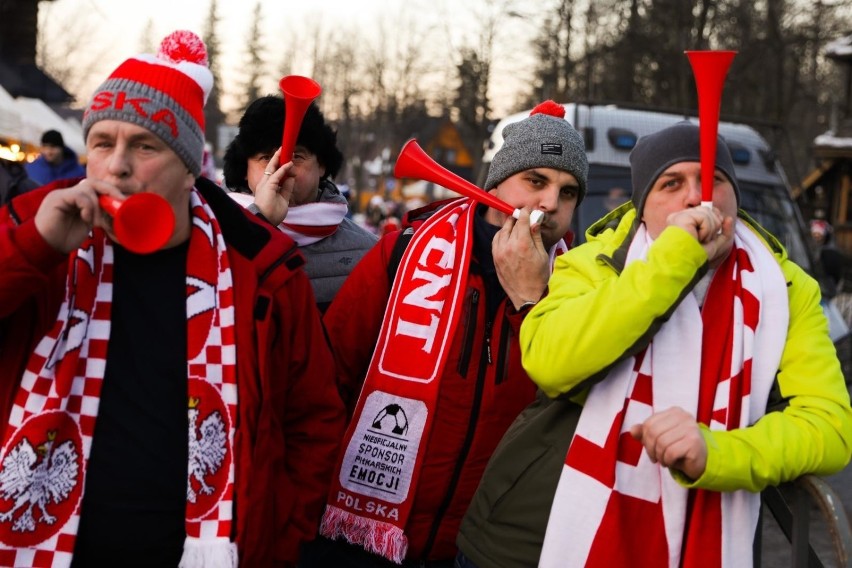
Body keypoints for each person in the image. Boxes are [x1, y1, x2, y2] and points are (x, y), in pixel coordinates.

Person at [0, 30, 344, 567]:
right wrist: (34, 249)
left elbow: (314, 420)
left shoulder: (262, 266)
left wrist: (279, 536)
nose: (116, 166)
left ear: (190, 168)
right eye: (102, 143)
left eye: (144, 146)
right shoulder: (34, 232)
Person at [456, 122, 852, 568]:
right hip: (532, 539)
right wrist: (677, 259)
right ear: (643, 207)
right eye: (672, 183)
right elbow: (551, 362)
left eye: (714, 181)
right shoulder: (593, 262)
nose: (696, 198)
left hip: (697, 543)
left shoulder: (786, 288)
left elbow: (829, 427)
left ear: (734, 197)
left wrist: (718, 454)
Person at [307, 100, 588, 567]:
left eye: (569, 191)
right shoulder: (406, 252)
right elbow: (327, 377)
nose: (551, 205)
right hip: (361, 537)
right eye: (535, 181)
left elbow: (561, 410)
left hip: (482, 548)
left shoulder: (580, 288)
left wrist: (532, 300)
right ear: (498, 182)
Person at [223, 95, 377, 313]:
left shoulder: (369, 252)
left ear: (322, 165)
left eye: (296, 156)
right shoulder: (212, 233)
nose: (281, 168)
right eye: (266, 157)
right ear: (244, 170)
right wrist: (262, 221)